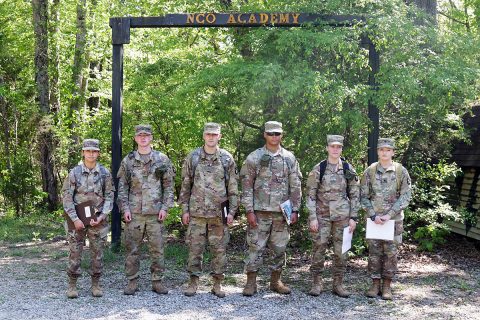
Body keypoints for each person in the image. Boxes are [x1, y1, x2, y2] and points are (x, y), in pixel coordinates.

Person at [240, 121, 302, 296]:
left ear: (282, 135)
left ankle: (276, 281)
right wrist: (249, 211)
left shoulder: (289, 158)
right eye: (271, 133)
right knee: (255, 248)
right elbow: (246, 186)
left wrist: (295, 210)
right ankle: (251, 282)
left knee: (280, 249)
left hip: (282, 213)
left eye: (277, 134)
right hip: (259, 212)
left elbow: (295, 186)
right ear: (265, 135)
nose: (274, 137)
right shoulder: (254, 157)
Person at [179, 122, 239, 298]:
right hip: (197, 214)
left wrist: (232, 212)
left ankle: (217, 284)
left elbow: (233, 188)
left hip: (219, 215)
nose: (211, 137)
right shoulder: (193, 157)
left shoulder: (227, 159)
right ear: (204, 136)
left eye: (214, 134)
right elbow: (185, 186)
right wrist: (184, 210)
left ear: (219, 136)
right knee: (194, 250)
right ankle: (193, 282)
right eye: (208, 134)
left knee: (219, 251)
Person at [117, 124, 175, 295]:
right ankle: (132, 281)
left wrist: (165, 207)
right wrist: (124, 208)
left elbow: (169, 186)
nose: (143, 138)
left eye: (146, 135)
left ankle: (157, 281)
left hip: (155, 213)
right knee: (132, 249)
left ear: (151, 138)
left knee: (157, 249)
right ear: (135, 138)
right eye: (140, 135)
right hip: (134, 213)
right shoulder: (128, 160)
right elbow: (122, 187)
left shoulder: (162, 159)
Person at [305, 135, 360, 298]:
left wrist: (353, 217)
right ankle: (316, 282)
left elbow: (355, 194)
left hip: (343, 217)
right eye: (332, 146)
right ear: (327, 148)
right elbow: (310, 194)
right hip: (322, 216)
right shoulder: (319, 168)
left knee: (341, 251)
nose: (335, 149)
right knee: (318, 248)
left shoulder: (348, 169)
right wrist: (312, 217)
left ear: (341, 149)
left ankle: (338, 284)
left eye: (338, 147)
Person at [360, 138, 412, 300]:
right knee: (374, 252)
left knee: (390, 253)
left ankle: (387, 285)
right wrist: (373, 214)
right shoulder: (370, 171)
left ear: (393, 152)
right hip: (374, 220)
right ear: (378, 151)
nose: (385, 152)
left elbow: (406, 196)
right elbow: (363, 195)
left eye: (388, 150)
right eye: (382, 149)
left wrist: (389, 215)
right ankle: (375, 284)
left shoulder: (400, 171)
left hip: (393, 220)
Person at [62, 139, 114, 298]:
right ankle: (72, 285)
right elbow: (66, 196)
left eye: (94, 151)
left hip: (97, 220)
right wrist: (75, 218)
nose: (91, 154)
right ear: (83, 152)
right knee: (75, 252)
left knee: (97, 253)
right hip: (77, 219)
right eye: (88, 151)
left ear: (98, 153)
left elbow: (110, 196)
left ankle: (96, 284)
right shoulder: (74, 173)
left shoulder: (105, 173)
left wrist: (102, 215)